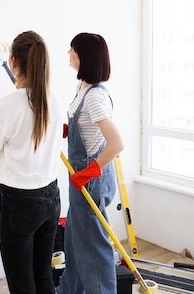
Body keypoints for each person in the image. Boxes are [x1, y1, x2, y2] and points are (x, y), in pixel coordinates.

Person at [0, 30, 66, 294]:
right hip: (50, 199)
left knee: (22, 285)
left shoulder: (8, 105)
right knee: (43, 278)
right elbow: (25, 122)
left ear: (13, 61)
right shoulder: (53, 99)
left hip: (19, 206)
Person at [56, 33, 124, 294]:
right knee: (75, 243)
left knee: (93, 249)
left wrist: (89, 172)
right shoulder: (82, 87)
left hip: (89, 181)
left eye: (73, 50)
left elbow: (117, 143)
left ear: (85, 57)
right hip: (81, 177)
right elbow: (85, 128)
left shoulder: (95, 97)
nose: (69, 53)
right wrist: (66, 129)